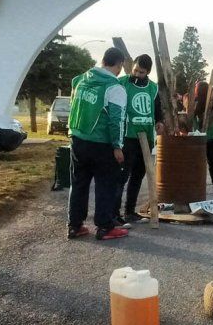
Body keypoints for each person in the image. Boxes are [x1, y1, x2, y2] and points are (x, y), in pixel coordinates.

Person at [67, 47, 128, 240]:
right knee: (105, 185)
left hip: (77, 138)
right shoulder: (114, 87)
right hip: (101, 144)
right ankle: (105, 227)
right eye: (121, 66)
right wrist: (117, 146)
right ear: (118, 64)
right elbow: (116, 120)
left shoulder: (81, 80)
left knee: (78, 184)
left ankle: (75, 225)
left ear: (103, 60)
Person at [113, 54, 164, 225]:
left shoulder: (153, 88)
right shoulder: (122, 83)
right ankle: (114, 214)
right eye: (135, 70)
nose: (137, 74)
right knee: (122, 176)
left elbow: (157, 109)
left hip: (147, 137)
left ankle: (130, 211)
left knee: (139, 175)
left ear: (148, 72)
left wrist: (159, 121)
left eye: (141, 72)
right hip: (128, 136)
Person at [193, 81, 213, 195]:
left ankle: (197, 187)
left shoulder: (195, 103)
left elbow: (192, 120)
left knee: (198, 163)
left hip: (199, 138)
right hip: (212, 137)